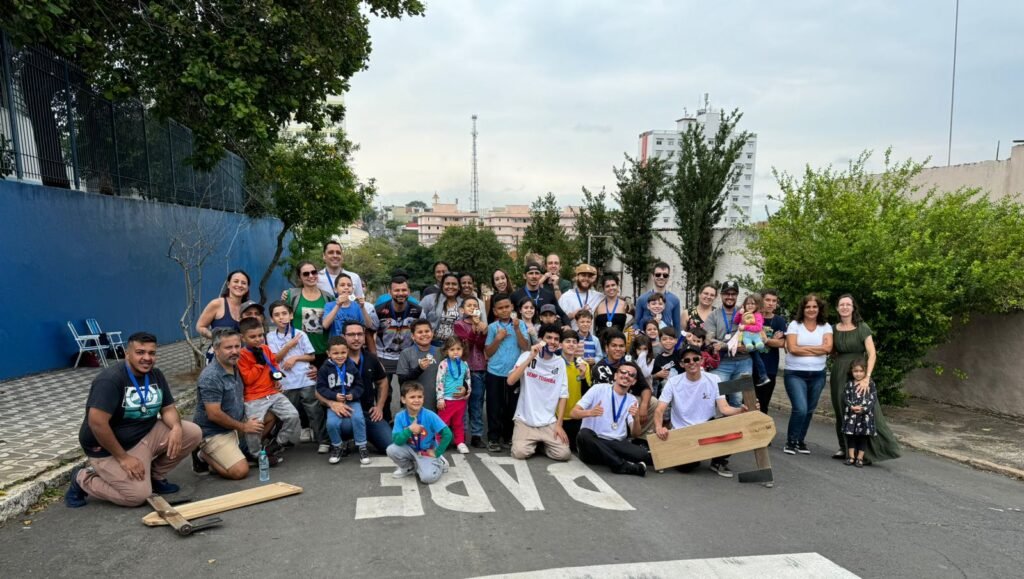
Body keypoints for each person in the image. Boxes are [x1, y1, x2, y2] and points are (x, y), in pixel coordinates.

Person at [66, 332, 202, 508]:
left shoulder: (156, 375)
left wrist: (176, 427)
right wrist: (123, 458)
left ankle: (154, 475)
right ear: (126, 353)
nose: (147, 358)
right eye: (140, 352)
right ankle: (83, 478)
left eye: (151, 353)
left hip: (144, 435)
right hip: (109, 448)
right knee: (137, 497)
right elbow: (97, 424)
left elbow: (168, 408)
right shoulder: (110, 380)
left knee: (192, 432)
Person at [654, 346, 752, 478]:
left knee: (731, 424)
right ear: (682, 364)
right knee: (687, 467)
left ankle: (718, 461)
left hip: (707, 426)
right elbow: (660, 409)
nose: (692, 362)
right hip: (684, 431)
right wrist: (659, 428)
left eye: (695, 359)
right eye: (687, 360)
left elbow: (724, 408)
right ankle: (692, 455)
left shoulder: (714, 379)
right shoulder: (673, 382)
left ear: (701, 360)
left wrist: (741, 410)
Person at [830, 294, 901, 463]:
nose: (845, 307)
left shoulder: (862, 328)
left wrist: (867, 378)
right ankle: (845, 448)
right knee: (842, 410)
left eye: (848, 304)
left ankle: (872, 451)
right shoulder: (833, 329)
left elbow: (872, 353)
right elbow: (831, 351)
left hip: (860, 373)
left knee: (869, 411)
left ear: (853, 307)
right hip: (839, 372)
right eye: (842, 304)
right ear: (837, 308)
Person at [191, 328, 264, 480]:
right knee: (240, 471)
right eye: (228, 347)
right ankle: (202, 454)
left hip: (236, 425)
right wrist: (244, 427)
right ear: (216, 349)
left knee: (271, 413)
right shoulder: (210, 376)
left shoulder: (236, 365)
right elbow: (214, 414)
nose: (234, 351)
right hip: (214, 431)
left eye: (237, 346)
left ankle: (238, 449)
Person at [237, 317, 301, 459]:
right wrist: (259, 365)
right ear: (243, 338)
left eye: (260, 335)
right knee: (255, 427)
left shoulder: (265, 349)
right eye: (252, 337)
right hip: (254, 397)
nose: (258, 339)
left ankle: (278, 443)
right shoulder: (241, 355)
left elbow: (273, 364)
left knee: (292, 415)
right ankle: (255, 454)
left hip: (272, 392)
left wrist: (275, 377)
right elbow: (247, 379)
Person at [506, 326, 572, 461]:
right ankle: (535, 443)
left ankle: (542, 444)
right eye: (549, 338)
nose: (552, 342)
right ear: (541, 339)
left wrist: (559, 425)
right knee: (519, 453)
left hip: (548, 422)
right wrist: (531, 357)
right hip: (525, 419)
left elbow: (563, 395)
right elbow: (511, 381)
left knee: (564, 454)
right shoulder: (526, 356)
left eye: (556, 339)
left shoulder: (559, 363)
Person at [266, 301, 324, 453]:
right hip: (286, 383)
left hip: (305, 379)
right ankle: (282, 441)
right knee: (285, 414)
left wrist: (295, 358)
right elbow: (275, 359)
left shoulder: (300, 334)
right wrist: (289, 346)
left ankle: (323, 440)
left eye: (284, 313)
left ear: (291, 315)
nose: (281, 317)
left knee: (314, 412)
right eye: (276, 315)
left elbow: (311, 356)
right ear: (272, 319)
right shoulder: (270, 337)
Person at [571, 362, 648, 476]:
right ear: (615, 376)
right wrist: (590, 412)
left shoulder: (632, 400)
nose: (626, 376)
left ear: (634, 381)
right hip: (592, 443)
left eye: (631, 375)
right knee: (584, 435)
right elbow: (573, 413)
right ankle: (621, 465)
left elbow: (635, 434)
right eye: (623, 372)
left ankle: (609, 458)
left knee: (642, 453)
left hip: (615, 443)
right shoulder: (598, 389)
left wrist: (636, 418)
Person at [782, 294, 833, 456]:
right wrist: (817, 349)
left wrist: (803, 349)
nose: (811, 310)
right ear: (803, 309)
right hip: (795, 374)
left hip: (818, 374)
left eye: (814, 307)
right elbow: (792, 349)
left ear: (819, 309)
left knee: (810, 409)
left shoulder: (826, 327)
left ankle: (799, 440)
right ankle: (790, 441)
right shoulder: (794, 325)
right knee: (801, 408)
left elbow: (828, 349)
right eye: (808, 307)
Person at [484, 293, 531, 452]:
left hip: (514, 373)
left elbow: (525, 347)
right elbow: (488, 353)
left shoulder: (521, 324)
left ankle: (509, 436)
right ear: (495, 311)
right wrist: (498, 338)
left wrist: (517, 329)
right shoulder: (492, 327)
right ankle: (493, 438)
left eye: (507, 307)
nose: (504, 310)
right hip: (494, 373)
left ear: (512, 307)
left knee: (512, 406)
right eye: (500, 308)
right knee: (494, 406)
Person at [373, 275, 423, 421]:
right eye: (397, 290)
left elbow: (423, 331)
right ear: (390, 291)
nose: (400, 293)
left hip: (407, 356)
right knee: (384, 392)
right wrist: (375, 356)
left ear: (409, 291)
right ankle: (386, 421)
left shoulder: (418, 310)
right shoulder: (379, 310)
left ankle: (407, 421)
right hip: (384, 356)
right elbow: (370, 333)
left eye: (403, 290)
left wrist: (418, 353)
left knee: (409, 391)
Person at [341, 320, 393, 454]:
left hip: (368, 412)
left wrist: (380, 407)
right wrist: (332, 404)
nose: (356, 338)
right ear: (343, 337)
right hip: (345, 413)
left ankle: (366, 434)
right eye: (351, 335)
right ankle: (347, 438)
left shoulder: (371, 358)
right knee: (344, 427)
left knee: (390, 446)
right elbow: (319, 391)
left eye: (360, 334)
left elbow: (382, 382)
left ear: (364, 337)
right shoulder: (335, 360)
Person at [315, 336, 370, 465]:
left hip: (352, 401)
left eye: (343, 352)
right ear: (328, 353)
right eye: (335, 353)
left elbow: (359, 386)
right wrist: (333, 397)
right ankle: (337, 446)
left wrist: (353, 394)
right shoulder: (324, 369)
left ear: (347, 352)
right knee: (332, 424)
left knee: (358, 419)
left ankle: (362, 447)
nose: (340, 356)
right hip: (335, 404)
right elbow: (320, 387)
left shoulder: (351, 366)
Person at [593, 329, 656, 436]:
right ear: (606, 348)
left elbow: (645, 388)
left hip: (629, 400)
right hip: (609, 404)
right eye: (614, 346)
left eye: (621, 346)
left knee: (653, 402)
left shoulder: (629, 362)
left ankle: (642, 439)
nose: (618, 349)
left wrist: (644, 406)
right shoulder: (599, 368)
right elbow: (608, 397)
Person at [387, 381, 452, 483]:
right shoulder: (400, 416)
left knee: (427, 478)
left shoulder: (430, 415)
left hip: (427, 451)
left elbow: (447, 434)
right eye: (412, 397)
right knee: (391, 450)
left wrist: (437, 452)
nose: (416, 400)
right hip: (410, 449)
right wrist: (409, 430)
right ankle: (409, 467)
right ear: (403, 399)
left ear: (423, 398)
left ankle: (440, 462)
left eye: (419, 397)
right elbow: (397, 441)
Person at [704, 280, 750, 407]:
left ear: (737, 295)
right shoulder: (713, 315)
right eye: (727, 294)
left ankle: (734, 425)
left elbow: (753, 332)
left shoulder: (745, 312)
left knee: (737, 399)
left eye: (733, 294)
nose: (730, 297)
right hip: (722, 363)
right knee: (714, 394)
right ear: (721, 295)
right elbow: (709, 340)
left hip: (744, 362)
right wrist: (729, 346)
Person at [453, 297, 488, 449]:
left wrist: (481, 330)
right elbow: (466, 345)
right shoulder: (458, 325)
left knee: (477, 403)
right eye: (469, 305)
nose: (472, 307)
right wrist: (474, 330)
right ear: (462, 310)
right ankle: (461, 435)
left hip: (479, 367)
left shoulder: (483, 325)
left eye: (475, 305)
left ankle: (477, 434)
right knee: (461, 403)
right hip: (463, 366)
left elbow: (481, 345)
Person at [282, 261, 331, 366]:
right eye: (306, 274)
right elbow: (283, 319)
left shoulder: (328, 297)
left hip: (323, 351)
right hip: (299, 353)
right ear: (300, 277)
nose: (311, 276)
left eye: (314, 272)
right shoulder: (291, 295)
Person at [196, 270, 248, 361]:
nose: (239, 285)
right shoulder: (217, 304)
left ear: (247, 287)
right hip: (219, 356)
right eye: (236, 281)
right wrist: (217, 338)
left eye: (243, 283)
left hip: (242, 356)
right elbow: (200, 326)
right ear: (228, 284)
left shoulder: (248, 308)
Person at [435, 336, 471, 454]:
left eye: (458, 349)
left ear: (462, 350)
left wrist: (467, 391)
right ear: (446, 351)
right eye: (452, 349)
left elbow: (468, 379)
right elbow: (440, 381)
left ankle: (460, 442)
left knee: (458, 422)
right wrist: (440, 399)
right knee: (443, 422)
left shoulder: (464, 364)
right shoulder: (443, 364)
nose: (455, 352)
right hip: (446, 400)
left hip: (460, 400)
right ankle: (439, 442)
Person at [754, 289, 787, 416]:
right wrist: (772, 339)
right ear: (761, 300)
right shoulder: (753, 317)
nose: (771, 303)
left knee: (763, 405)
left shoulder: (779, 321)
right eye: (768, 300)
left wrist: (766, 339)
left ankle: (761, 434)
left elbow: (782, 343)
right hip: (750, 367)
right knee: (748, 404)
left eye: (774, 301)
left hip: (769, 369)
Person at [397, 319, 442, 412]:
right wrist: (419, 369)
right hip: (414, 407)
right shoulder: (406, 353)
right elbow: (402, 380)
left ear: (432, 333)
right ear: (413, 336)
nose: (424, 334)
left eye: (427, 331)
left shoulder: (441, 352)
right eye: (420, 332)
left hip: (439, 405)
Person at [558, 329, 591, 452]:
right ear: (561, 344)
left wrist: (582, 377)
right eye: (567, 341)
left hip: (576, 417)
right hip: (557, 417)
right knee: (561, 448)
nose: (571, 344)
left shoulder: (584, 365)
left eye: (574, 342)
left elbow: (587, 395)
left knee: (575, 448)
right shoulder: (555, 363)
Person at [511, 262, 570, 326]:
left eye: (537, 273)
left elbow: (563, 315)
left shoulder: (549, 295)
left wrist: (568, 326)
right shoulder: (515, 295)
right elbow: (510, 316)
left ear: (540, 276)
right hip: (523, 333)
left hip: (544, 333)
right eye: (531, 273)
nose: (534, 276)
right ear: (524, 276)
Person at [842, 359, 877, 467]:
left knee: (863, 437)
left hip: (865, 416)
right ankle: (851, 457)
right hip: (851, 415)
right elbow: (845, 397)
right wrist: (851, 406)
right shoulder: (849, 384)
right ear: (852, 372)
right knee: (851, 436)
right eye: (855, 371)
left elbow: (873, 399)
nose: (858, 373)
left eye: (861, 371)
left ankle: (860, 458)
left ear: (865, 371)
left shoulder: (870, 384)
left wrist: (863, 409)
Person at [633, 262, 682, 332]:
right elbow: (636, 323)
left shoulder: (674, 300)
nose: (661, 277)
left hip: (666, 341)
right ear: (653, 276)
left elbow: (677, 326)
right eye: (658, 274)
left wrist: (677, 342)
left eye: (665, 275)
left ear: (668, 278)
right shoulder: (642, 299)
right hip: (646, 340)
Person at [735, 293, 771, 387]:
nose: (750, 305)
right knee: (753, 359)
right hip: (744, 340)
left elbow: (758, 328)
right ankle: (761, 377)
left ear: (757, 305)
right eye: (748, 304)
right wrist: (740, 313)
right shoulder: (744, 314)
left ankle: (763, 376)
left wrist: (745, 327)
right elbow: (736, 321)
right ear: (744, 305)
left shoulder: (757, 315)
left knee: (756, 358)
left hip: (754, 339)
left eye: (753, 303)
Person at [419, 272, 462, 346]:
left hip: (454, 346)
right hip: (432, 344)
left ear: (459, 287)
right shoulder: (429, 299)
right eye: (447, 284)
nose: (450, 286)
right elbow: (417, 319)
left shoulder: (463, 303)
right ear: (442, 286)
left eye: (454, 284)